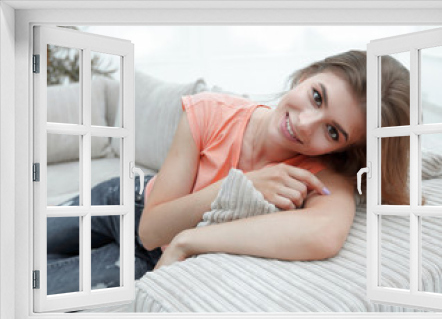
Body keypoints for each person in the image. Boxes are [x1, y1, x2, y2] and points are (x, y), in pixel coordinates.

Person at [46, 50, 410, 294]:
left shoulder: (323, 174)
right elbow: (151, 225)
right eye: (317, 96)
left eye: (333, 131)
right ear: (309, 74)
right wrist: (242, 186)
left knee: (33, 284)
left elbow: (323, 236)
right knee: (22, 241)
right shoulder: (207, 111)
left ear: (344, 148)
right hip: (128, 197)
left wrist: (191, 240)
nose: (304, 123)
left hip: (150, 256)